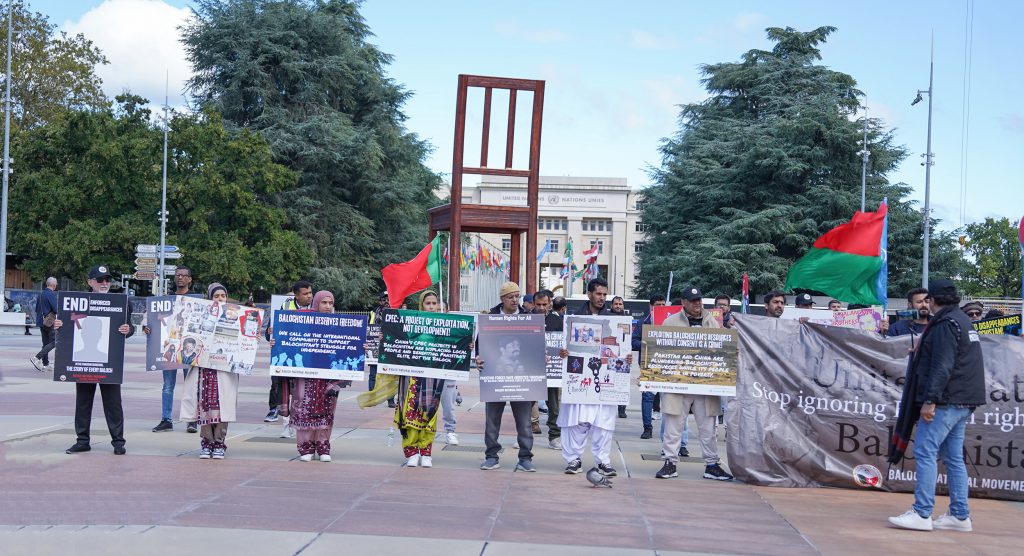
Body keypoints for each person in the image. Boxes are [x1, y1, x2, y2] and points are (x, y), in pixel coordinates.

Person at [888, 280, 985, 532]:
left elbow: (943, 365)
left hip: (946, 399)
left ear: (933, 300)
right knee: (953, 457)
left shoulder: (944, 324)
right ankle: (959, 515)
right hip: (964, 398)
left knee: (924, 451)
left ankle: (922, 513)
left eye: (927, 300)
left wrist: (930, 400)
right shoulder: (961, 320)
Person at [361, 290, 447, 468]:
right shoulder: (409, 323)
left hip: (432, 378)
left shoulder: (445, 326)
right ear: (421, 305)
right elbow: (395, 343)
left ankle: (426, 451)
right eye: (427, 303)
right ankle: (411, 451)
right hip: (410, 377)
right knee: (408, 411)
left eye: (434, 303)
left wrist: (466, 345)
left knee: (429, 412)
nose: (431, 307)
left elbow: (455, 346)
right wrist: (384, 340)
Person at [656, 286, 733, 481]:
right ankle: (670, 462)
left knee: (708, 428)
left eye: (699, 300)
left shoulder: (712, 322)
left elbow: (721, 352)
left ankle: (712, 464)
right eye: (692, 300)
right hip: (678, 383)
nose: (697, 303)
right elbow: (660, 351)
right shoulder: (670, 322)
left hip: (705, 385)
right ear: (683, 302)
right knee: (673, 426)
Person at [59, 265, 135, 455]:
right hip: (83, 363)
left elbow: (130, 327)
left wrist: (129, 329)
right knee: (83, 402)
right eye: (100, 280)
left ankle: (118, 442)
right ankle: (82, 440)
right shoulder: (77, 301)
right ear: (90, 282)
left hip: (109, 361)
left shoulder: (121, 302)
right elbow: (63, 325)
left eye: (107, 280)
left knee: (113, 403)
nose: (104, 283)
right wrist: (58, 324)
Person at [559, 277, 625, 477]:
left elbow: (621, 348)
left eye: (605, 294)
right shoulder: (573, 319)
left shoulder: (614, 320)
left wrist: (626, 355)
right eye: (598, 294)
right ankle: (573, 459)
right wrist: (563, 353)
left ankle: (603, 461)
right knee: (576, 422)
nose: (602, 298)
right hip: (579, 379)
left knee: (603, 424)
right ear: (589, 294)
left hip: (604, 381)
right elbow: (562, 346)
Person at [277, 291, 342, 462]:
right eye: (324, 303)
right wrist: (275, 341)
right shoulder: (302, 322)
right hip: (305, 377)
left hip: (328, 378)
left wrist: (360, 348)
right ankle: (305, 447)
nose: (328, 306)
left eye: (330, 303)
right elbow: (287, 341)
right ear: (316, 304)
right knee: (303, 408)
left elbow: (346, 348)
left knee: (327, 411)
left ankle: (323, 447)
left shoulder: (338, 326)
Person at [477, 281, 535, 471]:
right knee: (492, 420)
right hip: (496, 377)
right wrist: (477, 357)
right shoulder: (490, 317)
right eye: (511, 297)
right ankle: (491, 456)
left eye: (517, 296)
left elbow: (534, 344)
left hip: (522, 379)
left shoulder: (528, 317)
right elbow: (480, 344)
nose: (515, 300)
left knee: (525, 422)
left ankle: (525, 458)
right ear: (502, 299)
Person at [180, 283, 240, 459]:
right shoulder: (198, 317)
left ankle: (219, 443)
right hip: (204, 370)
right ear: (210, 298)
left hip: (224, 370)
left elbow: (244, 343)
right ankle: (206, 443)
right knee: (204, 405)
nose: (220, 299)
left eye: (223, 296)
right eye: (216, 296)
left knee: (223, 406)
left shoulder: (235, 318)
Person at [151, 266, 200, 433]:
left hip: (188, 346)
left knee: (191, 385)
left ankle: (191, 419)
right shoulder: (165, 300)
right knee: (168, 385)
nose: (180, 278)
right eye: (178, 275)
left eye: (184, 275)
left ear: (190, 279)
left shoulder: (196, 300)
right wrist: (149, 328)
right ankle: (166, 419)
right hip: (169, 347)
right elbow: (155, 321)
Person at [266, 280, 313, 434]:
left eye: (310, 293)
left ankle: (300, 422)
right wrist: (272, 334)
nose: (309, 296)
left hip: (308, 357)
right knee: (285, 389)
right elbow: (276, 328)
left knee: (303, 391)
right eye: (305, 293)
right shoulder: (286, 306)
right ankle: (287, 423)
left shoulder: (316, 307)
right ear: (296, 294)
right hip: (288, 355)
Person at [532, 289, 564, 450]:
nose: (542, 307)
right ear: (533, 304)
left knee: (554, 405)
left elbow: (563, 344)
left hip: (552, 370)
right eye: (538, 304)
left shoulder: (557, 321)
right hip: (530, 369)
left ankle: (554, 436)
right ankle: (524, 435)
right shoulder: (526, 319)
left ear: (550, 303)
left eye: (545, 304)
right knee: (526, 404)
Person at [632, 294, 666, 439]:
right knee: (647, 397)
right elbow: (634, 342)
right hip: (648, 364)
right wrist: (647, 343)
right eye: (658, 305)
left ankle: (670, 433)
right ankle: (647, 428)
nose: (661, 308)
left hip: (667, 364)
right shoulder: (643, 322)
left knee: (670, 398)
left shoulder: (670, 322)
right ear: (651, 306)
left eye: (663, 305)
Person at [30, 277, 59, 373]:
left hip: (41, 322)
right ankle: (36, 358)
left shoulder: (41, 294)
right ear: (53, 285)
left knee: (46, 343)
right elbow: (56, 309)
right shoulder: (51, 294)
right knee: (54, 342)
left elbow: (37, 309)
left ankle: (46, 365)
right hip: (49, 322)